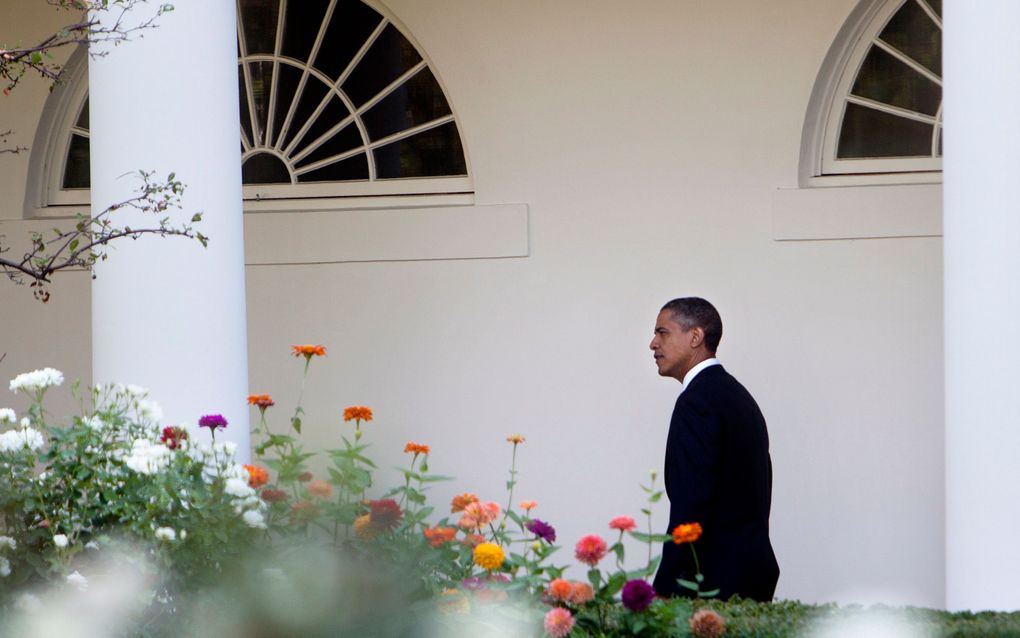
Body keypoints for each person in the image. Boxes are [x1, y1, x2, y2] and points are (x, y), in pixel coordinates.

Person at [649, 297, 779, 601]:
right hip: (751, 576)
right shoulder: (738, 397)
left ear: (695, 337)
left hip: (710, 584)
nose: (653, 343)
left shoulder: (697, 402)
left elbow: (691, 503)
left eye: (663, 332)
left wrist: (666, 586)